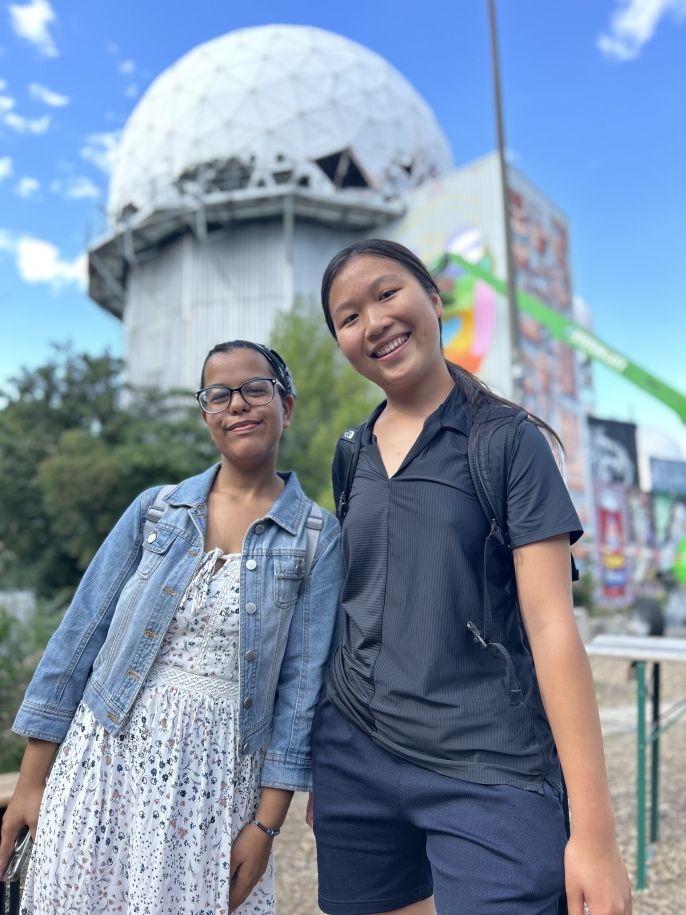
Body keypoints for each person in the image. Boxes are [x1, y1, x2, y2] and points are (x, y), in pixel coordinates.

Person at [311, 239, 631, 915]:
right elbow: (356, 604)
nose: (372, 321)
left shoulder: (507, 441)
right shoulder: (351, 453)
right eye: (347, 316)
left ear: (433, 298)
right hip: (354, 754)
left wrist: (595, 837)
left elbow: (551, 627)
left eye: (387, 293)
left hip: (488, 763)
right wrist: (324, 759)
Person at [0, 341, 343, 915]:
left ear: (287, 404)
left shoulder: (315, 538)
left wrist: (266, 825)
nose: (239, 404)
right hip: (102, 758)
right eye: (219, 394)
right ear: (205, 413)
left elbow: (301, 691)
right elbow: (79, 635)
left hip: (215, 783)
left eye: (255, 388)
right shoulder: (156, 511)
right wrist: (32, 782)